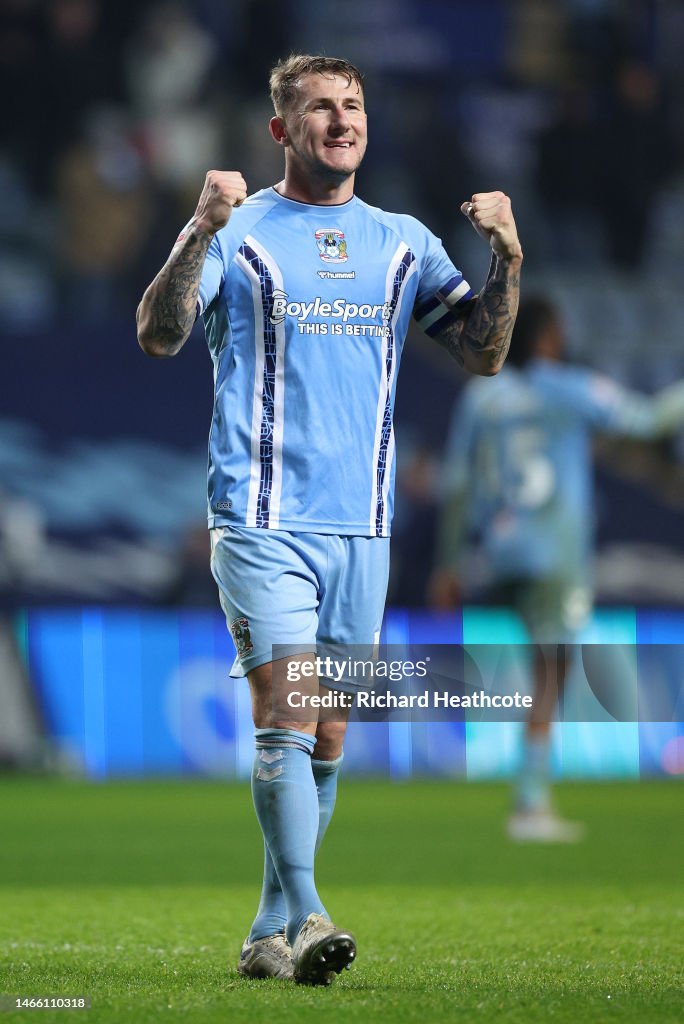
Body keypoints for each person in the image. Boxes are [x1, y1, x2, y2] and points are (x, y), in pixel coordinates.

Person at [136, 53, 522, 985]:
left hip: (364, 526)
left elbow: (482, 353)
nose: (340, 120)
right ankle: (310, 914)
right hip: (262, 516)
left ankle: (269, 930)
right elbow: (159, 331)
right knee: (287, 714)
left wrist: (507, 255)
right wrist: (199, 229)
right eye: (318, 107)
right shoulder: (244, 230)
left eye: (352, 105)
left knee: (332, 734)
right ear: (281, 130)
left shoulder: (401, 240)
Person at [430, 296, 684, 841]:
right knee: (555, 668)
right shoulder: (568, 387)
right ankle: (530, 804)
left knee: (544, 661)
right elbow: (643, 419)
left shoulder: (482, 395)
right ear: (547, 338)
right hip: (555, 554)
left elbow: (456, 485)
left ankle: (530, 796)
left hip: (500, 552)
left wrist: (447, 565)